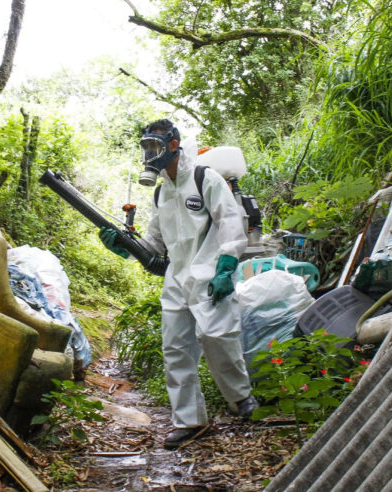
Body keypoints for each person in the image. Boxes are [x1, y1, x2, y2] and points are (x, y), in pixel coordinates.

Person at [99, 119, 258, 449]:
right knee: (175, 350)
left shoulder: (204, 178)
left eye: (154, 147)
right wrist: (123, 246)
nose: (149, 154)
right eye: (145, 148)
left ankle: (240, 399)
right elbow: (156, 244)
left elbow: (231, 221)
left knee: (217, 336)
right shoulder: (161, 192)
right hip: (176, 279)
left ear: (173, 145)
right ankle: (189, 421)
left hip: (211, 274)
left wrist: (227, 264)